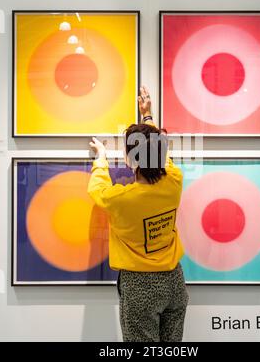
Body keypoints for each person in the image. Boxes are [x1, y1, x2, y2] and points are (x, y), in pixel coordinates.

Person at [88, 86, 189, 342]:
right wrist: (147, 116)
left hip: (140, 287)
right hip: (174, 282)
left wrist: (101, 159)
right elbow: (160, 156)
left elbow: (98, 188)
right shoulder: (174, 181)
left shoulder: (121, 199)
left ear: (131, 160)